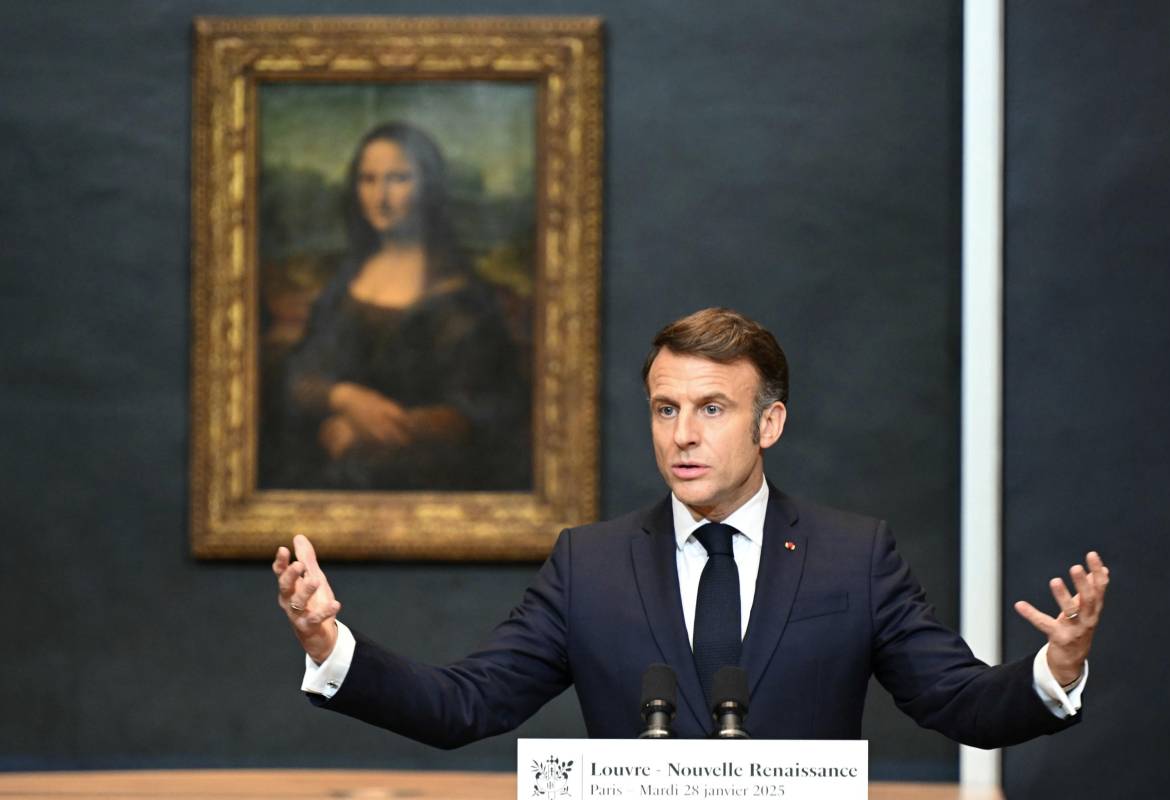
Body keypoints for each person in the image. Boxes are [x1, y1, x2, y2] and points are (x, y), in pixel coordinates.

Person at [273, 307, 1109, 746]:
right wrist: (330, 647)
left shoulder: (854, 558)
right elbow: (465, 705)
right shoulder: (587, 566)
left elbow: (961, 705)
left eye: (712, 408)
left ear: (769, 423)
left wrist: (1054, 667)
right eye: (666, 408)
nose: (683, 433)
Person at [277, 121, 529, 491]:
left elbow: (483, 411)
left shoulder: (460, 297)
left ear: (428, 186)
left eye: (398, 179)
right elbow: (299, 375)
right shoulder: (344, 283)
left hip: (434, 487)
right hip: (331, 493)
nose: (381, 196)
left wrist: (375, 430)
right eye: (368, 180)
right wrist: (345, 398)